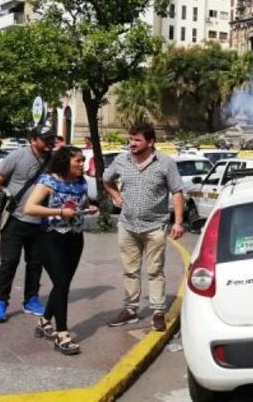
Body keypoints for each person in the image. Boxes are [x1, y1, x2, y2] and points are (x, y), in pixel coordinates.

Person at [103, 122, 185, 331]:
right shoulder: (122, 160)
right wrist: (116, 197)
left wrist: (178, 222)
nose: (131, 143)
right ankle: (130, 309)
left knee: (155, 270)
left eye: (137, 140)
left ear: (150, 142)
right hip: (128, 226)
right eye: (130, 139)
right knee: (130, 270)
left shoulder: (165, 163)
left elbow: (177, 192)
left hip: (155, 227)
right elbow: (106, 179)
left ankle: (158, 311)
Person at [23, 146, 97, 355]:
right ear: (65, 162)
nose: (82, 165)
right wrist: (59, 212)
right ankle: (61, 333)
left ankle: (45, 321)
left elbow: (80, 203)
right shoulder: (48, 181)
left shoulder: (80, 182)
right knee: (62, 283)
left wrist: (89, 207)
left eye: (83, 161)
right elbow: (30, 208)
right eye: (78, 162)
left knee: (62, 284)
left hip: (75, 238)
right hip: (50, 238)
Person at [0, 125, 56, 322]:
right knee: (9, 262)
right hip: (14, 220)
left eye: (52, 138)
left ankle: (31, 299)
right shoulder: (17, 156)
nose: (50, 142)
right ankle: (0, 303)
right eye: (45, 138)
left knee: (36, 263)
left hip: (40, 222)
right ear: (33, 139)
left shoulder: (53, 159)